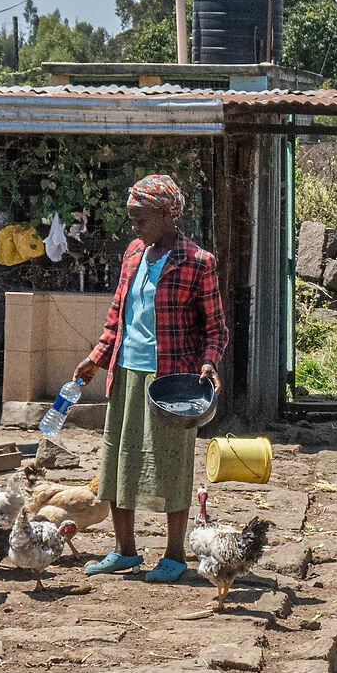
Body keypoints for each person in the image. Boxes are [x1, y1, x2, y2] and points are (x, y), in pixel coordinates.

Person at [70, 174, 229, 582]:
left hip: (171, 381)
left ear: (164, 214)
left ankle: (174, 554)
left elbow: (216, 328)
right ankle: (125, 551)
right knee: (118, 460)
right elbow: (116, 319)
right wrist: (95, 359)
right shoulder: (132, 254)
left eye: (140, 217)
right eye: (131, 217)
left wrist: (209, 363)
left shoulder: (198, 261)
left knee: (171, 462)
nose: (134, 226)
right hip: (126, 373)